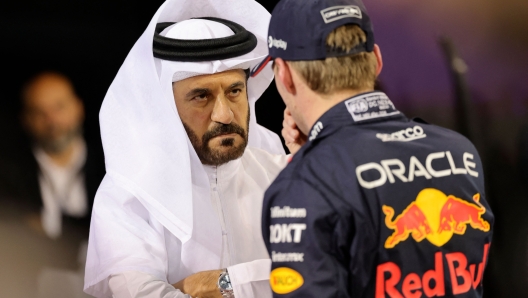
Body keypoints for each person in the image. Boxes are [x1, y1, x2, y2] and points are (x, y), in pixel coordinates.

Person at [253, 0, 494, 296]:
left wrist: (313, 164)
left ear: (285, 75)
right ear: (377, 60)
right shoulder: (460, 152)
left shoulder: (303, 183)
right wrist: (317, 154)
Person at [84, 0, 288, 297]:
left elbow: (322, 272)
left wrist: (221, 283)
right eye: (201, 96)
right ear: (166, 107)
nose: (225, 115)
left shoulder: (279, 172)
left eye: (234, 91)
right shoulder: (129, 192)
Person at [4, 72, 105, 239]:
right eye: (39, 112)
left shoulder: (109, 167)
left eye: (59, 107)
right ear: (26, 120)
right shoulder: (9, 175)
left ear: (79, 107)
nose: (51, 120)